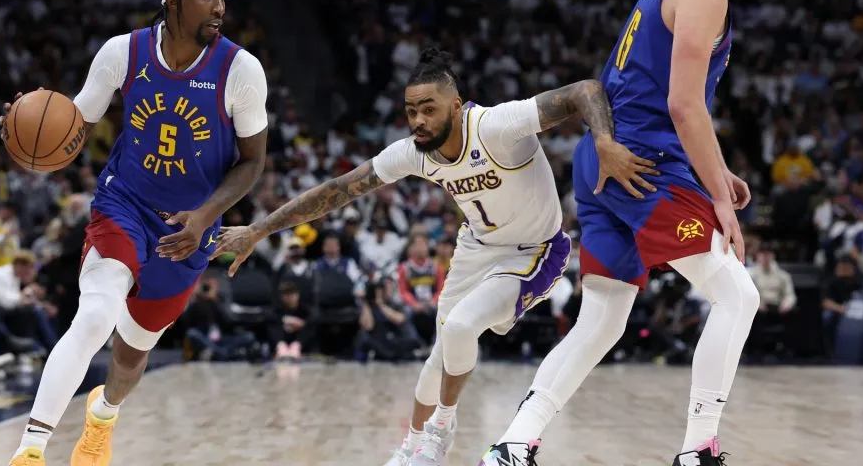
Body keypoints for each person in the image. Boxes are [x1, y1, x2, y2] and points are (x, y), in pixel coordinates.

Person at [215, 47, 656, 466]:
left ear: (457, 106)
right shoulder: (415, 154)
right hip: (476, 247)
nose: (418, 121)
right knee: (439, 356)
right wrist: (260, 229)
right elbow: (337, 191)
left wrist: (604, 142)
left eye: (429, 108)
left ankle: (441, 430)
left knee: (463, 326)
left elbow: (585, 90)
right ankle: (413, 446)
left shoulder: (497, 126)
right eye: (411, 111)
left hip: (534, 251)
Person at [482, 0, 764, 465]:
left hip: (603, 160)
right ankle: (698, 451)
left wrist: (717, 168)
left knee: (603, 319)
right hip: (643, 168)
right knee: (739, 296)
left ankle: (513, 443)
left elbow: (662, 94)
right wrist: (717, 196)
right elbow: (684, 106)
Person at [3, 0, 269, 466]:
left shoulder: (240, 69)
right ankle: (31, 449)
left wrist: (204, 215)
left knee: (130, 353)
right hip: (123, 202)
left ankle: (101, 419)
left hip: (189, 227)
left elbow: (253, 162)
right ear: (173, 3)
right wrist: (29, 121)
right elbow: (74, 121)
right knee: (96, 312)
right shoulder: (123, 52)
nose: (219, 8)